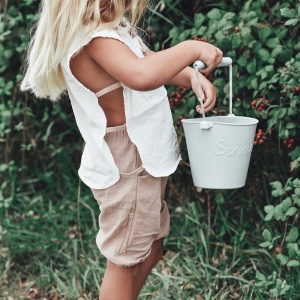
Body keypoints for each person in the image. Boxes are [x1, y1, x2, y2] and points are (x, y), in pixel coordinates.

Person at [20, 1, 223, 299]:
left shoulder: (112, 33)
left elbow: (152, 63)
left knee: (152, 246)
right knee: (124, 262)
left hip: (143, 159)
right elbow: (142, 75)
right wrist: (190, 48)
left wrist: (192, 76)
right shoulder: (95, 40)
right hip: (129, 161)